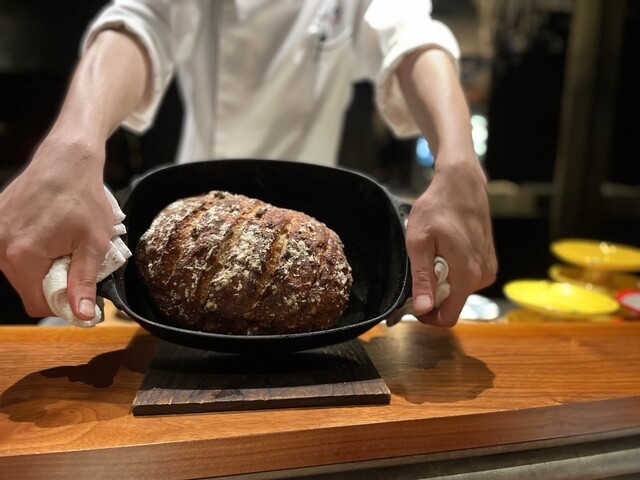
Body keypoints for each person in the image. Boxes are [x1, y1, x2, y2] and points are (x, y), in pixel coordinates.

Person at [0, 0, 497, 328]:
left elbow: (410, 39)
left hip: (312, 238)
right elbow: (141, 23)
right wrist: (74, 142)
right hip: (191, 234)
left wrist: (458, 158)